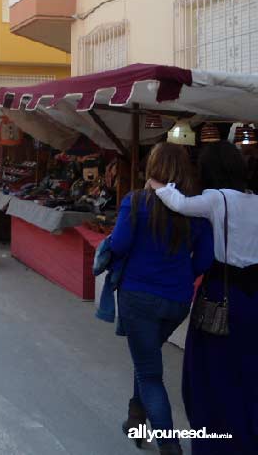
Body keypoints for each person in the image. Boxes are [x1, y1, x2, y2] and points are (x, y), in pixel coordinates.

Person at [149, 141, 258, 455]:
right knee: (248, 372)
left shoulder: (216, 199)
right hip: (254, 298)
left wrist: (156, 183)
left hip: (222, 294)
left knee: (210, 376)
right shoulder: (254, 201)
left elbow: (178, 203)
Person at [108, 143, 214, 455]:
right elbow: (205, 261)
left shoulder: (135, 201)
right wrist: (180, 274)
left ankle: (170, 445)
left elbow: (120, 244)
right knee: (147, 359)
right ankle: (135, 417)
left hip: (138, 296)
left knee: (149, 373)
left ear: (152, 167)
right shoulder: (196, 210)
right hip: (178, 299)